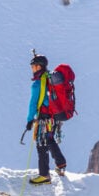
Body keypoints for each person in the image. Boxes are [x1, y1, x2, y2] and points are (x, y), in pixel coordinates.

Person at [25, 53, 67, 184]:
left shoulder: (38, 83)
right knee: (49, 140)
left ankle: (44, 175)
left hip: (44, 118)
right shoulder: (50, 78)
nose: (32, 69)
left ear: (39, 67)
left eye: (34, 67)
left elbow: (33, 103)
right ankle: (61, 164)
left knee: (41, 144)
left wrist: (29, 120)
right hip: (54, 117)